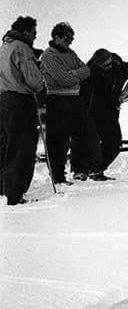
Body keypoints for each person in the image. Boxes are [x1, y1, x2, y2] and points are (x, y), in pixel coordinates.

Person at [71, 49, 128, 179]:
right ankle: (83, 169)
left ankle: (96, 168)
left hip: (110, 112)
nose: (110, 66)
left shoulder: (117, 65)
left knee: (114, 143)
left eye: (110, 63)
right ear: (98, 65)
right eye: (106, 66)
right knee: (87, 142)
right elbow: (82, 95)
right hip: (91, 112)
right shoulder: (88, 75)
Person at [0, 16, 46, 205]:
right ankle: (15, 194)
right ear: (25, 32)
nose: (35, 37)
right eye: (34, 33)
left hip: (2, 100)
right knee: (22, 147)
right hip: (20, 101)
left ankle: (4, 189)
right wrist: (42, 88)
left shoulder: (4, 48)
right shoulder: (22, 48)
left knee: (5, 145)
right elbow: (33, 80)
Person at [39, 22, 90, 184]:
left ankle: (79, 170)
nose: (70, 41)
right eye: (67, 38)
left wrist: (73, 73)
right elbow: (62, 79)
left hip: (75, 99)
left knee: (80, 135)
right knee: (58, 139)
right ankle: (58, 176)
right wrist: (76, 76)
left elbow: (86, 70)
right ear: (56, 37)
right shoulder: (49, 56)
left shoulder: (71, 53)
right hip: (58, 100)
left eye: (71, 38)